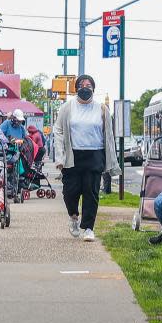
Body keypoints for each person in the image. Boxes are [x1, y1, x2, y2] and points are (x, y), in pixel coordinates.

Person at [53, 75, 121, 242]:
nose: (85, 87)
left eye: (89, 85)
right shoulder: (67, 108)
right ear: (76, 88)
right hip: (73, 155)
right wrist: (60, 158)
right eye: (82, 85)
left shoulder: (102, 109)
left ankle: (89, 227)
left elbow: (109, 136)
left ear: (93, 89)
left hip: (94, 154)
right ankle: (74, 217)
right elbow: (58, 131)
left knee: (91, 192)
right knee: (70, 192)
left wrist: (110, 160)